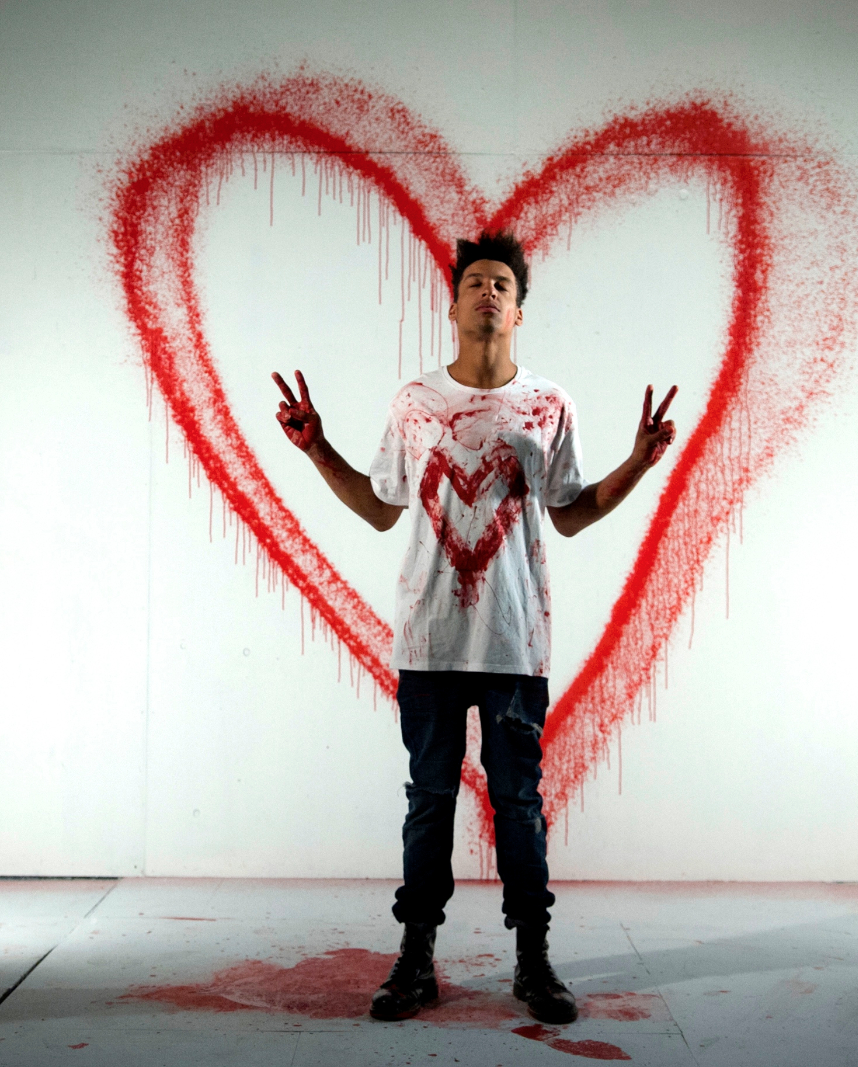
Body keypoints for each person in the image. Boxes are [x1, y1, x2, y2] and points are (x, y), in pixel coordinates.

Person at [272, 231, 677, 1025]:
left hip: (514, 641)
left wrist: (638, 462)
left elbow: (570, 513)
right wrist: (316, 446)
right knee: (429, 799)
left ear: (518, 311)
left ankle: (533, 958)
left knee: (518, 802)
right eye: (474, 283)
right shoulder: (414, 401)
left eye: (501, 285)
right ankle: (415, 957)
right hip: (427, 638)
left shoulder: (547, 403)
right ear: (453, 305)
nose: (487, 292)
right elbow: (380, 506)